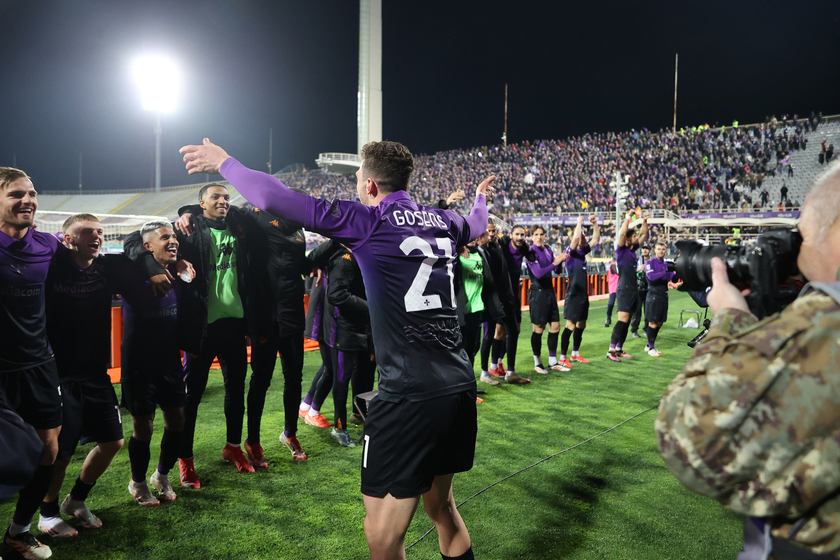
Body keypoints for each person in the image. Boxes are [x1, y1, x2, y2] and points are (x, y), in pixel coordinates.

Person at [181, 138, 489, 560]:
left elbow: (275, 197)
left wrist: (225, 163)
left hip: (407, 395)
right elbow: (477, 224)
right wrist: (481, 198)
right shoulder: (443, 219)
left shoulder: (366, 221)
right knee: (443, 508)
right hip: (457, 385)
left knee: (381, 534)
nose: (358, 186)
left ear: (371, 186)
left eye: (360, 179)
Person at [656, 161, 840, 558]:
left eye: (802, 237)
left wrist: (729, 321)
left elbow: (689, 437)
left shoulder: (824, 327)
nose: (797, 252)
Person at [126, 183, 265, 486]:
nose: (223, 201)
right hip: (201, 329)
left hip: (235, 325)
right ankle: (185, 459)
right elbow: (134, 240)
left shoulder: (239, 226)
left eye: (226, 197)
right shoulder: (187, 230)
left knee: (235, 392)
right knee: (192, 398)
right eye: (215, 197)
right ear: (201, 203)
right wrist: (172, 254)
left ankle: (233, 447)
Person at [174, 201, 314, 463]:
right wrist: (187, 211)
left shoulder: (298, 228)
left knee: (294, 378)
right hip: (264, 317)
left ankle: (290, 433)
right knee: (260, 380)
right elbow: (216, 204)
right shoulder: (257, 216)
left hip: (293, 314)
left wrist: (331, 251)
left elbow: (298, 264)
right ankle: (253, 440)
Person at [38, 215, 126, 537]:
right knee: (61, 452)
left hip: (95, 372)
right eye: (87, 231)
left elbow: (140, 254)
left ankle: (75, 500)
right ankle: (46, 514)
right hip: (59, 374)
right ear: (67, 239)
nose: (97, 236)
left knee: (113, 441)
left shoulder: (107, 268)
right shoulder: (52, 265)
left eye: (100, 231)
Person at [0, 167, 60, 560]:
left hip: (39, 363)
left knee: (48, 451)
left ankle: (19, 532)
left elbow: (98, 256)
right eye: (16, 194)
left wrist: (151, 263)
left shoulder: (48, 245)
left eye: (32, 193)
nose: (28, 200)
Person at [118, 221, 188, 507]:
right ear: (147, 246)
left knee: (177, 421)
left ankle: (161, 475)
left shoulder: (180, 271)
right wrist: (151, 266)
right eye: (164, 238)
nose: (173, 241)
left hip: (170, 360)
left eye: (174, 237)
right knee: (143, 426)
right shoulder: (132, 272)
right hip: (138, 361)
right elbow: (129, 241)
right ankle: (137, 482)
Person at [526, 225, 570, 374]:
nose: (539, 237)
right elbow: (538, 273)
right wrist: (555, 263)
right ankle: (537, 362)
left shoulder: (547, 249)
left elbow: (556, 270)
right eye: (536, 234)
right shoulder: (531, 252)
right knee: (539, 329)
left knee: (555, 327)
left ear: (545, 236)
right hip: (538, 293)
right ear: (532, 237)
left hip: (549, 292)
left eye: (541, 234)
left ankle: (553, 361)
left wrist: (560, 260)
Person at [558, 215, 600, 368]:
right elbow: (575, 239)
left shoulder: (582, 253)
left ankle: (575, 353)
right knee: (570, 325)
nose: (583, 238)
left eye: (583, 236)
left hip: (583, 294)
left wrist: (594, 224)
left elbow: (595, 239)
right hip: (573, 294)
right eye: (581, 236)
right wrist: (579, 222)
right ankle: (562, 357)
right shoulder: (570, 252)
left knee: (581, 324)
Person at [606, 213, 648, 361]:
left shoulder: (632, 250)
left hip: (632, 289)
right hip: (623, 287)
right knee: (622, 319)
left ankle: (619, 348)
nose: (637, 237)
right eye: (634, 236)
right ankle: (611, 350)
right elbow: (623, 233)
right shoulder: (621, 250)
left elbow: (644, 234)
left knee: (628, 319)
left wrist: (645, 220)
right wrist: (627, 217)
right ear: (628, 238)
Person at [496, 225, 534, 384]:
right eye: (517, 234)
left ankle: (496, 365)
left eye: (522, 235)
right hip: (501, 295)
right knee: (500, 332)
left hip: (514, 297)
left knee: (512, 330)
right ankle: (500, 368)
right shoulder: (503, 245)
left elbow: (532, 257)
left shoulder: (523, 248)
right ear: (510, 235)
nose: (520, 237)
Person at [642, 241, 680, 357]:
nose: (661, 251)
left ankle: (649, 345)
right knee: (653, 322)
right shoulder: (650, 263)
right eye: (659, 249)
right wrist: (666, 271)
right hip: (653, 295)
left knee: (660, 322)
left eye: (663, 249)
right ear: (654, 250)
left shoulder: (667, 264)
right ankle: (651, 347)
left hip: (664, 295)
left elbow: (673, 279)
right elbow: (651, 277)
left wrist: (679, 269)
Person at [630, 244, 651, 338]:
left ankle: (646, 329)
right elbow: (630, 271)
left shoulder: (652, 261)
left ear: (650, 251)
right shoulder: (637, 260)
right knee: (637, 311)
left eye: (647, 249)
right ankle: (634, 330)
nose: (645, 250)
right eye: (643, 249)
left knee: (648, 311)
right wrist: (638, 269)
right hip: (638, 288)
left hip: (649, 288)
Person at [604, 259, 618, 327]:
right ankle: (608, 318)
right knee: (610, 304)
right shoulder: (613, 264)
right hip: (613, 288)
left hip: (620, 288)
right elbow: (617, 271)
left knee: (621, 305)